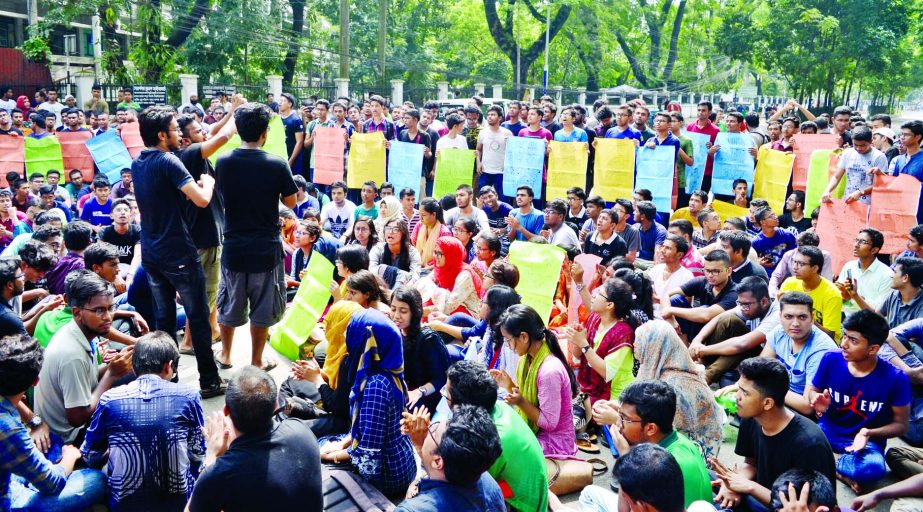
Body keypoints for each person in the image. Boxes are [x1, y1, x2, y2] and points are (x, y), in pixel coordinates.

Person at [131, 106, 224, 398]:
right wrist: (207, 183)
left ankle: (165, 382)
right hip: (179, 252)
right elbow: (200, 200)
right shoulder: (168, 161)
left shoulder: (137, 163)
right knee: (198, 318)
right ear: (161, 135)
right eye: (174, 130)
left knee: (164, 321)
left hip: (152, 252)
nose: (180, 136)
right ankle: (209, 381)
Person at [213, 102, 297, 371]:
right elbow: (292, 202)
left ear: (237, 132)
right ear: (265, 134)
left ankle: (225, 354)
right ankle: (256, 359)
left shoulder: (223, 162)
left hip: (234, 245)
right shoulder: (276, 163)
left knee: (229, 301)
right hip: (266, 247)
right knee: (263, 306)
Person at [80, 332, 204, 511]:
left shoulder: (110, 399)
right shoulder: (189, 396)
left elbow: (90, 455)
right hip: (179, 503)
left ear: (133, 368)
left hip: (124, 506)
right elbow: (197, 455)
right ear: (169, 367)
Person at [187, 366, 323, 511]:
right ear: (276, 405)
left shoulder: (220, 474)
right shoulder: (300, 429)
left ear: (226, 411)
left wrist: (211, 457)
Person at [712, 358, 836, 511]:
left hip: (785, 508)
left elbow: (812, 506)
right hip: (759, 496)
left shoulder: (810, 444)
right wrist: (731, 484)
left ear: (768, 403)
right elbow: (751, 464)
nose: (736, 396)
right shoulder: (752, 418)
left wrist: (749, 486)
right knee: (709, 481)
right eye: (738, 388)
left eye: (744, 392)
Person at [1, 333, 107, 511]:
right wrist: (70, 457)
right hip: (8, 499)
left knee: (52, 443)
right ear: (36, 381)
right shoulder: (9, 429)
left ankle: (37, 480)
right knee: (97, 480)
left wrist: (35, 422)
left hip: (8, 475)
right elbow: (53, 483)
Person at [807, 310, 911, 492]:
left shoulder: (896, 378)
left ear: (873, 349)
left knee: (872, 470)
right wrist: (817, 401)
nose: (843, 344)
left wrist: (868, 432)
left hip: (866, 443)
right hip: (828, 430)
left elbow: (901, 426)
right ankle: (840, 470)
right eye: (845, 336)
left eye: (853, 341)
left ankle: (827, 462)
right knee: (792, 443)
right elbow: (813, 391)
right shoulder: (831, 359)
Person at [318, 309, 417, 498]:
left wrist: (334, 456)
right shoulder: (387, 368)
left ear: (370, 340)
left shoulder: (375, 386)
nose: (347, 334)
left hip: (389, 473)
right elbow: (364, 430)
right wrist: (342, 444)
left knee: (317, 453)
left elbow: (370, 457)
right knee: (327, 443)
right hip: (400, 460)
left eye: (352, 330)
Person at [431, 360, 548, 511]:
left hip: (518, 504)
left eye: (447, 394)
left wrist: (422, 446)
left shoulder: (487, 436)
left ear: (462, 404)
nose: (446, 398)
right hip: (522, 493)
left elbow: (465, 479)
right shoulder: (497, 407)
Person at [34, 272, 134, 443]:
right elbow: (77, 418)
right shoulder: (72, 354)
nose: (108, 316)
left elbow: (87, 376)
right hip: (69, 436)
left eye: (110, 308)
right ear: (77, 312)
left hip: (73, 415)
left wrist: (113, 366)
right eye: (99, 310)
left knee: (137, 369)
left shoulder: (79, 332)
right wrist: (111, 374)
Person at [593, 380, 713, 507]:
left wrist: (625, 457)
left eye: (624, 419)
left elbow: (624, 510)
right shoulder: (679, 439)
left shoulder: (659, 467)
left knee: (589, 496)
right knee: (591, 493)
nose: (618, 423)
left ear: (651, 428)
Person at [492, 304, 577, 459]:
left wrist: (520, 402)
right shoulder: (529, 358)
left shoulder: (549, 371)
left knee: (499, 450)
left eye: (508, 340)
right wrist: (509, 385)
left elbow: (549, 423)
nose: (508, 346)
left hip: (555, 443)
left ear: (524, 337)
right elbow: (531, 397)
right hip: (541, 433)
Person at [397, 405, 505, 512]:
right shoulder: (488, 482)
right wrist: (422, 446)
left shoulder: (412, 509)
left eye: (433, 430)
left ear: (438, 461)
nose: (427, 427)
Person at [756, 292, 838, 415]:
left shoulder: (821, 350)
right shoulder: (780, 331)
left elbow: (807, 406)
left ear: (812, 318)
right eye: (788, 316)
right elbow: (759, 369)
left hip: (807, 412)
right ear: (780, 317)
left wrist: (768, 388)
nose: (795, 323)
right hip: (783, 395)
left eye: (802, 317)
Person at [689, 276, 781, 384]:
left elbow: (743, 344)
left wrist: (703, 350)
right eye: (740, 303)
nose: (742, 308)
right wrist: (697, 341)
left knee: (740, 348)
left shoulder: (777, 315)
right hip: (748, 348)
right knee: (727, 320)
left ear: (764, 302)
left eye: (745, 304)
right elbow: (719, 318)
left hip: (767, 359)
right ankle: (700, 365)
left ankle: (704, 378)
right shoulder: (748, 305)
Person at [565, 278, 637, 404]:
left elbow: (607, 373)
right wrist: (577, 338)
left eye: (599, 293)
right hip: (588, 389)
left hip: (613, 397)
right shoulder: (594, 318)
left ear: (609, 305)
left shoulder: (623, 333)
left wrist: (583, 343)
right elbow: (578, 357)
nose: (593, 293)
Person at [390, 286, 449, 414]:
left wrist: (419, 392)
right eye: (393, 309)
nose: (396, 315)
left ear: (415, 312)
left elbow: (440, 379)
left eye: (403, 311)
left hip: (426, 396)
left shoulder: (427, 340)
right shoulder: (396, 333)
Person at [660, 249, 739, 341]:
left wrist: (670, 310)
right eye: (706, 270)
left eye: (715, 271)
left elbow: (706, 315)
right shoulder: (702, 281)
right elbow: (667, 295)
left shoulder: (735, 293)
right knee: (675, 299)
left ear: (729, 271)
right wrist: (670, 317)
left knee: (703, 309)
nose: (709, 275)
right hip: (695, 328)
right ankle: (684, 345)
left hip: (719, 335)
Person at [778, 246, 843, 342]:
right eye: (794, 261)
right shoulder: (789, 283)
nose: (795, 267)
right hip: (793, 336)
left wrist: (807, 317)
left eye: (801, 264)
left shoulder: (832, 294)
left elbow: (830, 336)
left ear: (814, 268)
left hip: (820, 341)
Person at [821, 126, 888, 206]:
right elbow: (836, 177)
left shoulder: (879, 157)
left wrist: (861, 192)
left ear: (871, 141)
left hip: (869, 204)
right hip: (848, 201)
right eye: (855, 145)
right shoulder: (848, 153)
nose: (858, 148)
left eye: (863, 145)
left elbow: (880, 185)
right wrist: (827, 191)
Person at [836, 228, 894, 316]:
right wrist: (844, 295)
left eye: (862, 242)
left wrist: (854, 296)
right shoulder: (849, 266)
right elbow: (840, 299)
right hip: (847, 319)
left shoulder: (887, 275)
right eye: (856, 240)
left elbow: (878, 315)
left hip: (870, 325)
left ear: (874, 250)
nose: (856, 245)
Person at [427, 236, 482, 318]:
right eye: (435, 252)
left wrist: (419, 311)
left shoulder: (465, 275)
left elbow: (448, 307)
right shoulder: (441, 268)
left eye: (440, 254)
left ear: (451, 255)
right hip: (446, 309)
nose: (436, 257)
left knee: (438, 294)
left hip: (465, 315)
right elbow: (425, 284)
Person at [650, 234, 695, 317]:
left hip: (673, 320)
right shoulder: (655, 270)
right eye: (662, 246)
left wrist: (658, 300)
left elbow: (683, 305)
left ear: (679, 255)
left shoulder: (687, 276)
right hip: (652, 316)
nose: (662, 250)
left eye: (668, 248)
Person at [874, 257, 923, 328]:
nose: (891, 276)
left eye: (895, 272)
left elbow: (916, 336)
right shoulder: (894, 294)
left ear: (905, 278)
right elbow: (878, 313)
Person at [412, 197, 452, 268]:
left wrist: (428, 268)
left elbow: (446, 258)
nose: (420, 218)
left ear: (433, 214)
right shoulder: (419, 225)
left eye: (423, 215)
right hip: (417, 266)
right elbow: (413, 245)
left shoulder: (444, 233)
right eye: (419, 214)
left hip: (435, 270)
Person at [632, 200, 667, 267]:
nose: (634, 213)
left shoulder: (660, 231)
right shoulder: (635, 227)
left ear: (643, 216)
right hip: (635, 261)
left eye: (636, 211)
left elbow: (657, 255)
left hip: (650, 264)